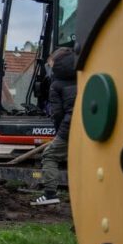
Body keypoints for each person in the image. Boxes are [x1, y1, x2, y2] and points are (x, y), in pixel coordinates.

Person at [31, 47, 76, 206]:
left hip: (68, 126)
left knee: (49, 155)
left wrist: (59, 134)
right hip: (86, 127)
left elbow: (57, 113)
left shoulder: (56, 85)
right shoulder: (81, 76)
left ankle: (50, 195)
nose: (49, 67)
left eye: (50, 64)